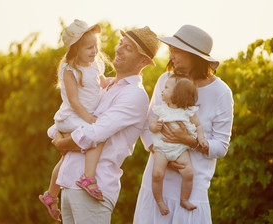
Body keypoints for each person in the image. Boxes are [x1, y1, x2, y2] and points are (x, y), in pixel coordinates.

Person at [51, 26, 160, 224]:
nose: (119, 49)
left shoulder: (134, 95)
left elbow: (94, 133)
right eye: (121, 43)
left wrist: (61, 143)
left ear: (143, 61)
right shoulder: (105, 85)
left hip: (94, 190)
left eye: (128, 48)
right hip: (70, 183)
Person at [134, 24, 234, 224]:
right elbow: (146, 126)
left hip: (190, 191)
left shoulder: (221, 92)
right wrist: (162, 153)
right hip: (156, 184)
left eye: (177, 51)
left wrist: (191, 141)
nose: (172, 56)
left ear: (194, 56)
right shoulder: (165, 81)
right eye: (172, 50)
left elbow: (221, 146)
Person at [39, 19, 111, 222]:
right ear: (75, 50)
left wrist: (115, 83)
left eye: (96, 46)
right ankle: (88, 178)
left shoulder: (97, 65)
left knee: (66, 158)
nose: (94, 51)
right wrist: (91, 120)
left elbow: (103, 82)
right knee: (96, 136)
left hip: (81, 117)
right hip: (71, 117)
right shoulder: (71, 70)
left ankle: (51, 195)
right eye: (89, 47)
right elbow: (74, 101)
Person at [150, 74, 208, 216]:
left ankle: (184, 199)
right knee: (157, 173)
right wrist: (155, 127)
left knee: (188, 173)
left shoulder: (188, 112)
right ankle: (159, 200)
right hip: (162, 148)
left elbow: (198, 126)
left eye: (166, 88)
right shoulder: (161, 109)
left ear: (178, 93)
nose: (162, 91)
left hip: (180, 149)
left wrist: (201, 139)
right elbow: (151, 126)